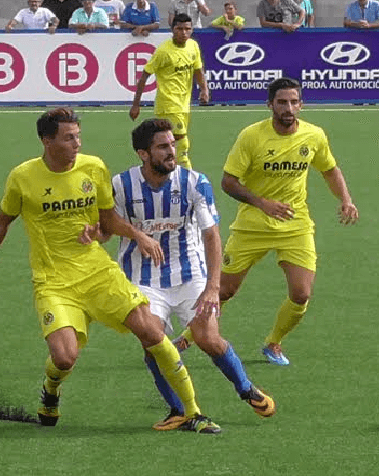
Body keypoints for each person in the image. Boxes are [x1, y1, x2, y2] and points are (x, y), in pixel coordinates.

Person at [0, 108, 220, 434]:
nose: (78, 143)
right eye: (69, 137)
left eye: (78, 135)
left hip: (98, 272)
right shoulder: (23, 177)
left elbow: (108, 220)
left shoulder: (94, 167)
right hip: (54, 281)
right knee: (64, 358)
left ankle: (193, 412)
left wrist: (136, 234)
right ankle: (51, 389)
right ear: (47, 141)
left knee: (151, 332)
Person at [110, 118, 276, 430]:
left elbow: (211, 236)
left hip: (190, 276)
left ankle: (245, 388)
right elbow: (108, 226)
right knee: (152, 342)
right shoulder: (121, 185)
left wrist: (213, 287)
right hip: (142, 278)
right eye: (163, 147)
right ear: (143, 154)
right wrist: (120, 233)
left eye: (172, 144)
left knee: (208, 338)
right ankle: (178, 411)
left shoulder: (194, 182)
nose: (171, 151)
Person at [214, 77, 359, 366]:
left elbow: (330, 170)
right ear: (270, 105)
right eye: (282, 102)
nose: (288, 107)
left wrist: (346, 199)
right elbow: (228, 182)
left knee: (301, 293)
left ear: (301, 105)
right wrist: (262, 203)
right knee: (224, 291)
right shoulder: (251, 136)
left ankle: (274, 343)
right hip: (252, 224)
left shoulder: (314, 135)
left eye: (294, 102)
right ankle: (190, 336)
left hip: (295, 225)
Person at [130, 13, 210, 170]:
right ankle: (188, 178)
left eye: (187, 29)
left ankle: (161, 173)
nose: (183, 32)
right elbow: (144, 76)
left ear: (192, 30)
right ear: (172, 30)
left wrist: (204, 90)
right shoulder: (163, 51)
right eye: (179, 29)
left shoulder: (193, 46)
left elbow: (198, 70)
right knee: (181, 144)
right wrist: (136, 105)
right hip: (168, 104)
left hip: (184, 104)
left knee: (170, 144)